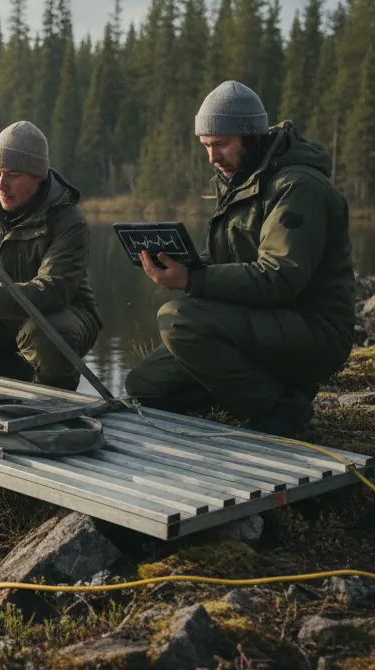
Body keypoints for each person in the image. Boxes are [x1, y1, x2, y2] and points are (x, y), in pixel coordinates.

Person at [123, 80, 357, 437]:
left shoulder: (298, 187)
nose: (213, 158)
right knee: (146, 385)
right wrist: (183, 263)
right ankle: (262, 392)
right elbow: (230, 261)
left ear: (252, 136)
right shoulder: (241, 178)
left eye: (221, 145)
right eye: (206, 146)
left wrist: (192, 279)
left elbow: (278, 278)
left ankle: (281, 410)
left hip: (312, 331)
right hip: (264, 322)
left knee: (178, 320)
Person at [0, 120, 102, 391]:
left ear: (38, 176)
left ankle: (56, 398)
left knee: (44, 335)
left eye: (13, 175)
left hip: (66, 314)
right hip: (2, 312)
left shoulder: (69, 220)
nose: (1, 185)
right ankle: (8, 380)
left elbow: (51, 292)